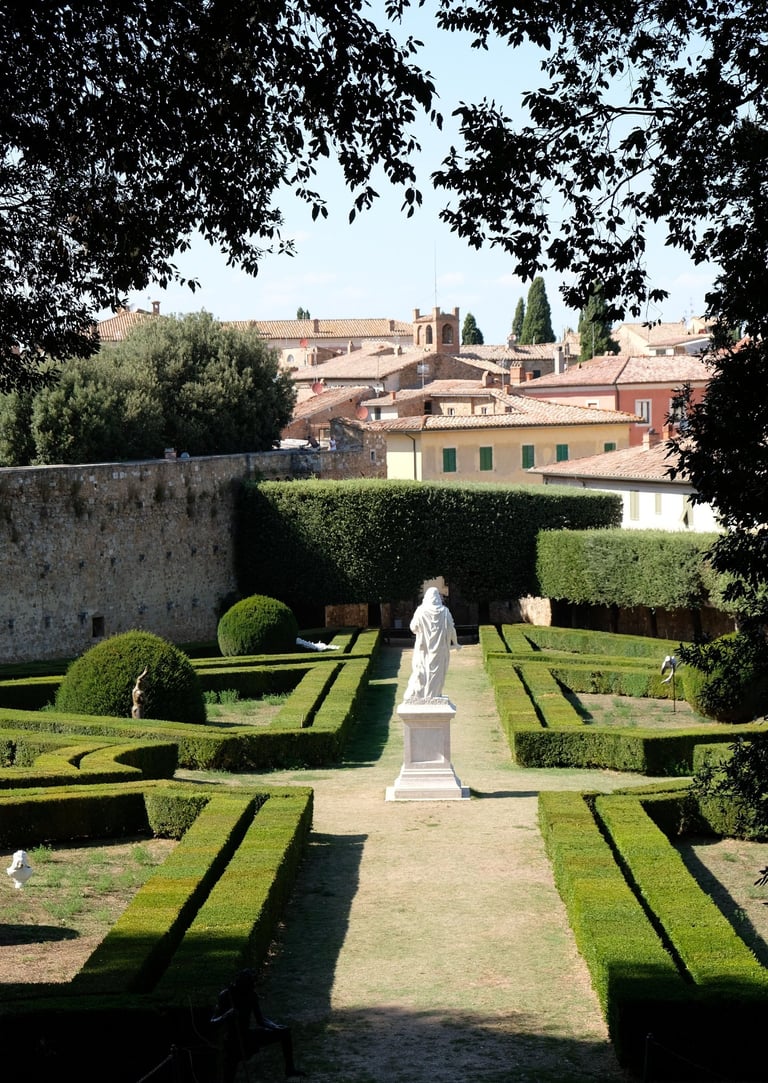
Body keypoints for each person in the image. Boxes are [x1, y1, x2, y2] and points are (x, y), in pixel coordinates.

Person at [211, 969, 305, 1081]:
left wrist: (275, 1027)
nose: (253, 987)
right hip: (233, 1041)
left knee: (285, 1033)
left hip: (248, 1035)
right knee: (229, 1074)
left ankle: (290, 1069)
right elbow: (213, 1022)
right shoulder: (226, 995)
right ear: (241, 983)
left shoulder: (251, 994)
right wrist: (226, 1015)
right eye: (250, 984)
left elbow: (260, 1019)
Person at [403, 587, 459, 702]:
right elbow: (451, 629)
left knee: (421, 669)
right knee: (437, 673)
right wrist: (456, 643)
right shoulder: (445, 612)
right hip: (440, 649)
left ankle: (421, 694)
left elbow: (413, 627)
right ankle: (434, 694)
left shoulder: (420, 611)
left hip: (423, 649)